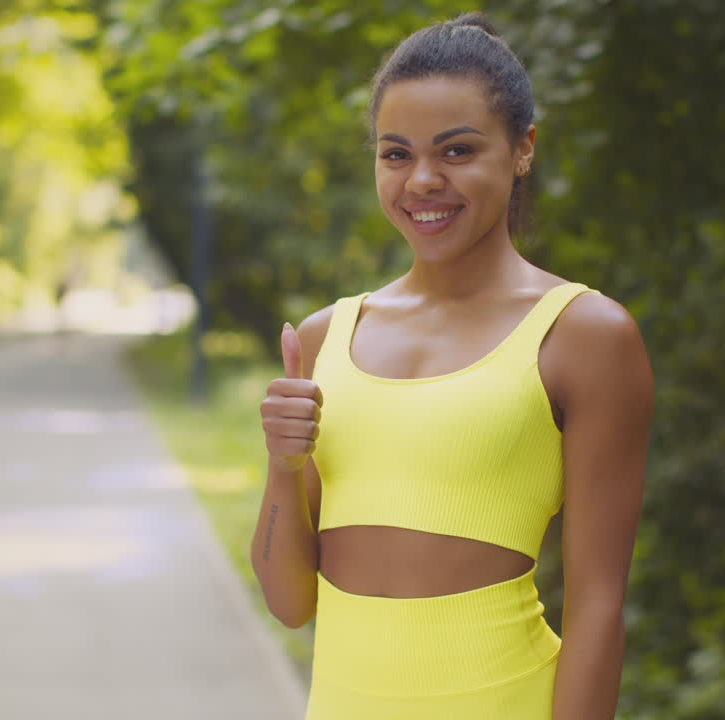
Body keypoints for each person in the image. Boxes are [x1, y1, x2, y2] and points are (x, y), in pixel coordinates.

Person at [251, 13, 654, 720]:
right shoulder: (323, 338)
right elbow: (290, 605)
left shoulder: (585, 335)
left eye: (458, 150)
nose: (424, 181)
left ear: (523, 148)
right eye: (396, 154)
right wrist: (283, 463)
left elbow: (597, 604)